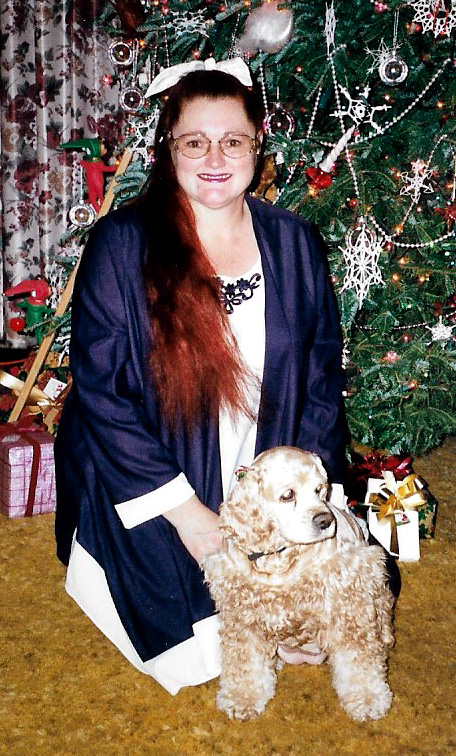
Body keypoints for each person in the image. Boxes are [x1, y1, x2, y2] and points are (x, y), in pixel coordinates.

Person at [54, 58, 347, 693]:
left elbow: (321, 374)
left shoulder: (296, 241)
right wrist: (188, 516)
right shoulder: (122, 243)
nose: (215, 158)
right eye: (194, 142)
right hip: (154, 466)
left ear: (256, 146)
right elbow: (103, 394)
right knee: (196, 652)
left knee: (327, 617)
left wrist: (309, 492)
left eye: (232, 141)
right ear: (169, 148)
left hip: (264, 462)